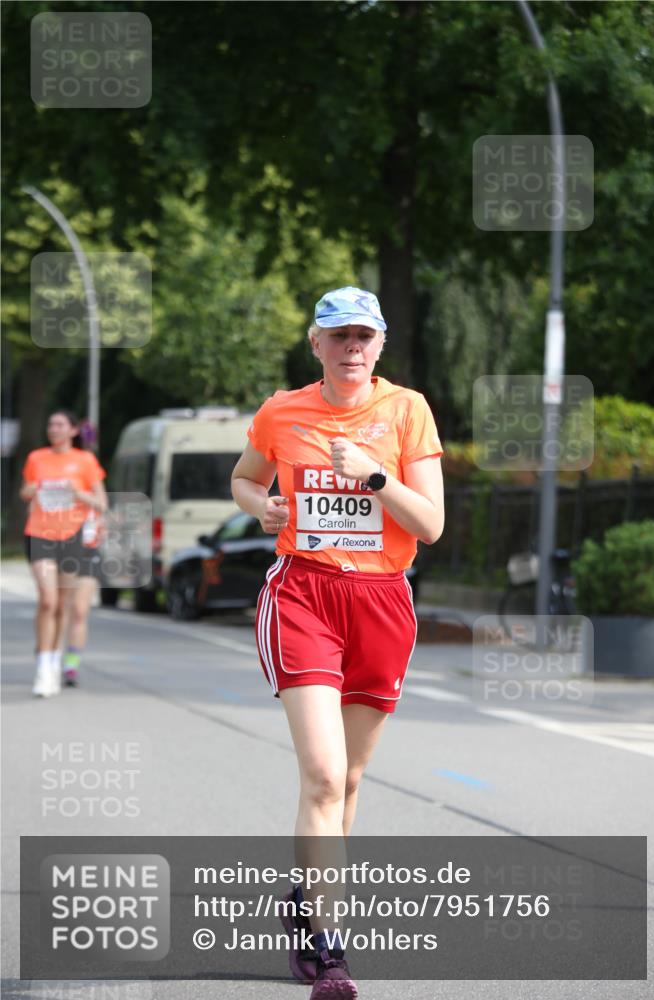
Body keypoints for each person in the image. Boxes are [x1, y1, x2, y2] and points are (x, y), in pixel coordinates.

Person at [231, 287, 444, 999]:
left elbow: (431, 524)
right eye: (338, 335)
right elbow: (243, 476)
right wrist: (262, 505)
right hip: (304, 594)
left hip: (382, 602)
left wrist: (375, 477)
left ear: (379, 345)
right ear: (315, 344)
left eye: (364, 335)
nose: (352, 346)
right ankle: (328, 948)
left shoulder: (406, 410)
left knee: (350, 781)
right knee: (323, 776)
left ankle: (305, 897)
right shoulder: (281, 412)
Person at [20, 410, 108, 697]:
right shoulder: (36, 458)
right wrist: (32, 489)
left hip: (73, 537)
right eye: (50, 424)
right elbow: (25, 492)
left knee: (64, 605)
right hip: (40, 533)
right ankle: (44, 668)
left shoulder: (85, 461)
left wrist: (77, 494)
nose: (53, 429)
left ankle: (57, 659)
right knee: (48, 600)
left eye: (60, 425)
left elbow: (101, 503)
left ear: (72, 431)